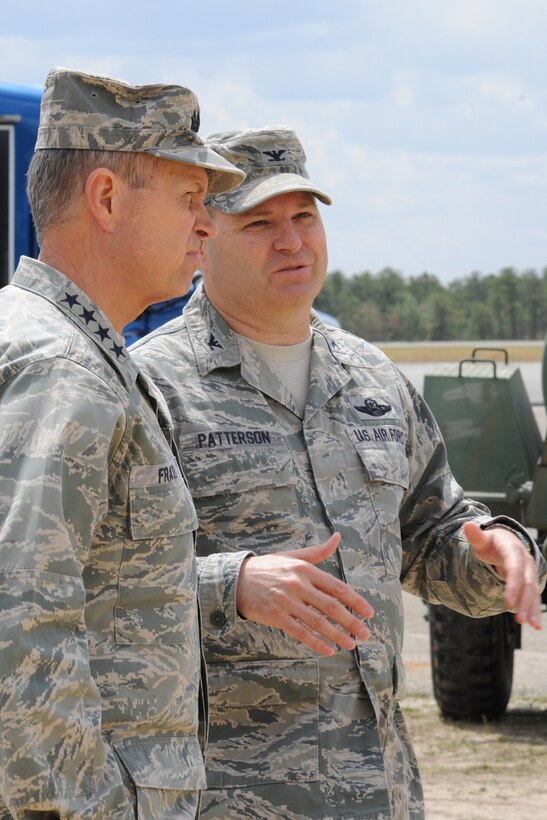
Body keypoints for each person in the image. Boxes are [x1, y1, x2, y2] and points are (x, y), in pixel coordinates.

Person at [131, 126, 546, 820]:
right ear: (201, 239)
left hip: (376, 792)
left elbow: (431, 532)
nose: (290, 241)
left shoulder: (371, 377)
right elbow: (89, 578)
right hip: (220, 797)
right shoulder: (149, 388)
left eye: (303, 217)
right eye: (259, 222)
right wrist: (226, 583)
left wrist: (492, 550)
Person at [0, 67, 245, 819]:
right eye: (188, 199)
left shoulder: (62, 349)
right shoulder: (63, 370)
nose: (206, 224)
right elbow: (21, 627)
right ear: (106, 198)